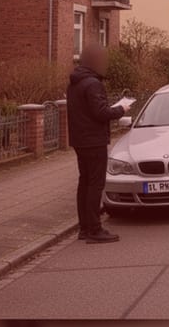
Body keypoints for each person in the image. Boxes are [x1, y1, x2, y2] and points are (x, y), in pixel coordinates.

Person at [67, 44, 130, 244]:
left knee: (84, 183)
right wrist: (121, 109)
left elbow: (87, 111)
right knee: (95, 184)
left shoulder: (75, 83)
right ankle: (95, 229)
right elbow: (101, 113)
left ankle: (84, 228)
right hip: (94, 141)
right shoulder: (93, 84)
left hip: (80, 140)